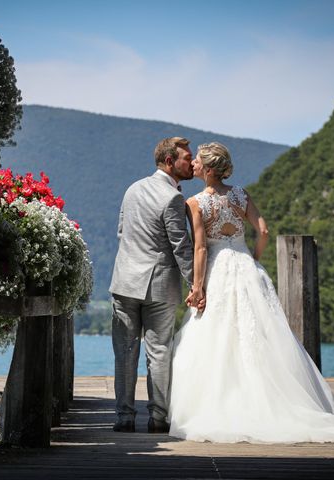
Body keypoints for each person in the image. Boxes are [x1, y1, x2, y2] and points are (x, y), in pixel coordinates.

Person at [168, 141, 334, 444]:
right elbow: (264, 231)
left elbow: (201, 247)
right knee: (261, 336)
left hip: (218, 269)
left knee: (217, 337)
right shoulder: (241, 195)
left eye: (196, 163)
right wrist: (253, 258)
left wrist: (197, 286)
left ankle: (225, 403)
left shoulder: (195, 202)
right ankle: (275, 400)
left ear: (206, 168)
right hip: (246, 268)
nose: (191, 165)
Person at [109, 137, 198, 433]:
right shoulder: (172, 198)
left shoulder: (132, 189)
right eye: (187, 157)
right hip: (158, 284)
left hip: (124, 281)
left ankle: (124, 417)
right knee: (159, 351)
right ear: (170, 161)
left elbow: (122, 232)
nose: (192, 162)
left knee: (124, 352)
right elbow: (181, 247)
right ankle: (158, 418)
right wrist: (197, 285)